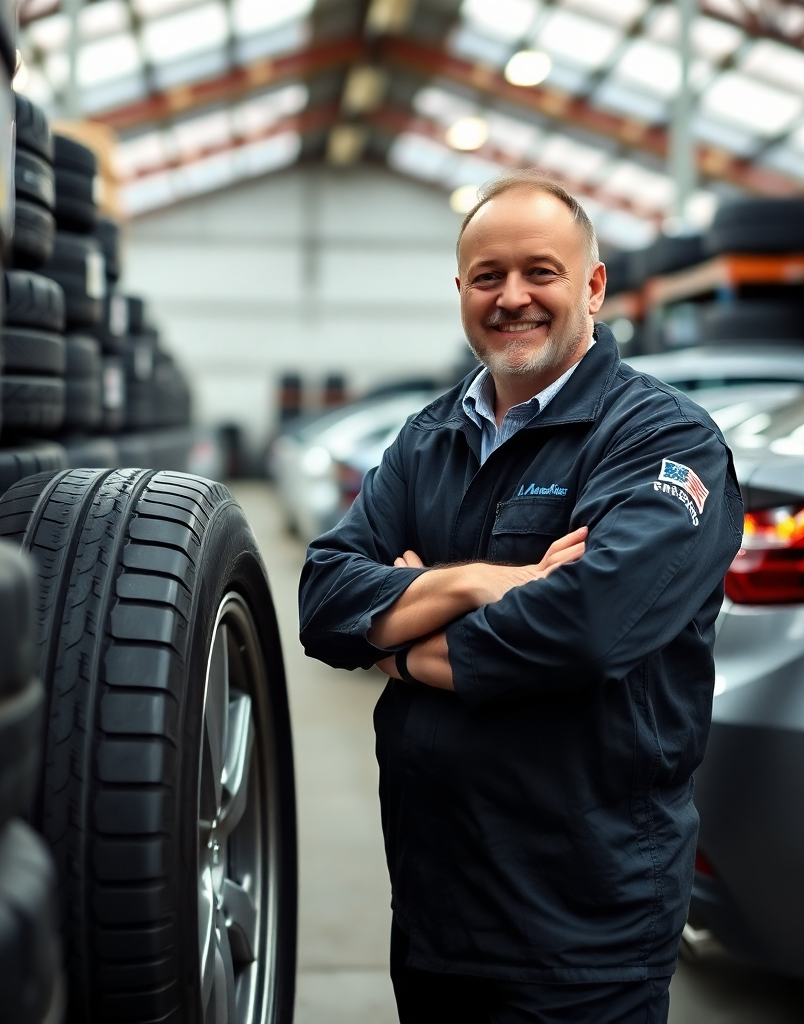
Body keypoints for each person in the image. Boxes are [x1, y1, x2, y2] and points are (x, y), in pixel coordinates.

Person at [298, 171, 744, 1024]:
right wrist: (476, 581)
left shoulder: (661, 437)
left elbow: (586, 623)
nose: (513, 298)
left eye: (541, 271)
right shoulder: (428, 438)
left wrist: (398, 639)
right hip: (436, 901)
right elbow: (323, 598)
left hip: (584, 917)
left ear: (593, 285)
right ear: (461, 290)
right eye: (487, 276)